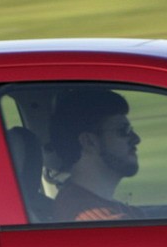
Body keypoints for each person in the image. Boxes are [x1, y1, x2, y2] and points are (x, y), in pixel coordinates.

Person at [45, 86, 144, 223]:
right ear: (89, 141)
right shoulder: (98, 220)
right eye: (123, 131)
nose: (137, 139)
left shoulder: (109, 208)